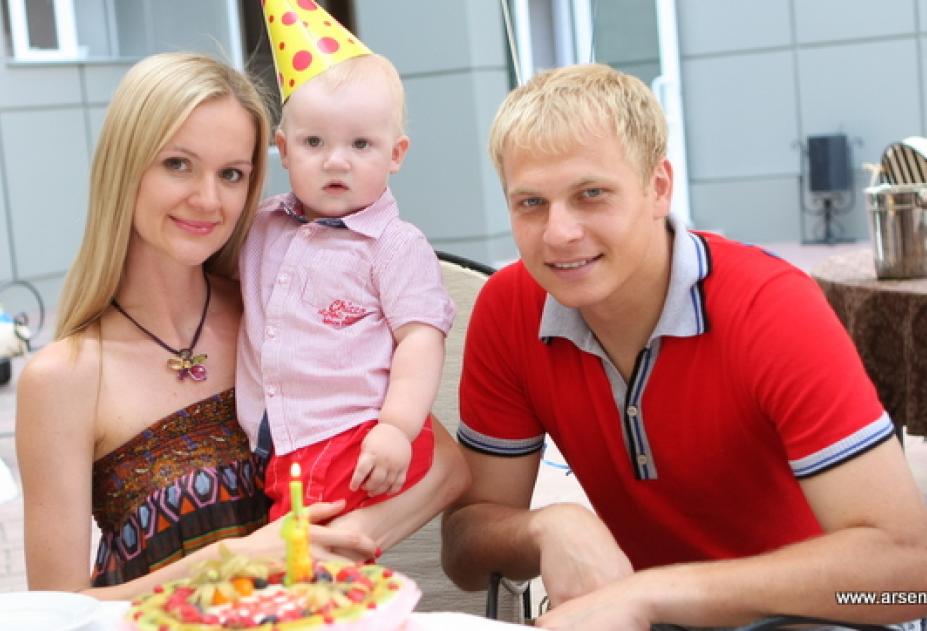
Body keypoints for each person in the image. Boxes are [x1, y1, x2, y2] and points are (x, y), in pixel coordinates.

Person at [442, 63, 927, 630]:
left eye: (591, 194)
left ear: (658, 188)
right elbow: (464, 551)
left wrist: (653, 592)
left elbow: (907, 578)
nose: (559, 233)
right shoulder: (508, 308)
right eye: (531, 203)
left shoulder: (770, 306)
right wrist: (549, 525)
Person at [16, 51, 466, 600]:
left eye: (231, 174)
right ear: (124, 166)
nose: (208, 199)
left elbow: (446, 465)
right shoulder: (64, 378)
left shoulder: (277, 315)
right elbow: (56, 612)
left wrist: (323, 547)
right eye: (178, 164)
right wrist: (234, 562)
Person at [237, 50, 454, 522]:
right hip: (272, 445)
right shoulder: (260, 226)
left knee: (308, 551)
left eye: (360, 144)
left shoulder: (394, 247)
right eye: (314, 142)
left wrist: (396, 426)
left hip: (349, 438)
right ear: (284, 149)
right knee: (299, 548)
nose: (336, 161)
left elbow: (420, 340)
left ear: (395, 154)